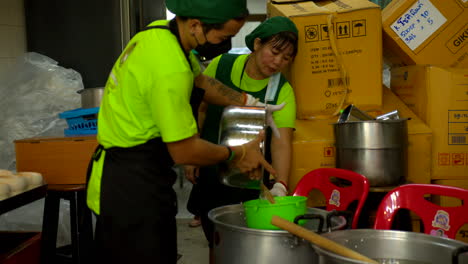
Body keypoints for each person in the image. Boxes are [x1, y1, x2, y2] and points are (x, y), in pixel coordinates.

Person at [85, 0, 281, 263]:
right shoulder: (170, 69)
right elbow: (184, 150)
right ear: (197, 25)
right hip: (132, 185)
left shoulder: (159, 33)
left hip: (127, 171)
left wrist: (248, 102)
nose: (226, 42)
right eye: (224, 37)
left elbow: (199, 81)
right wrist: (238, 153)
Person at [185, 16, 299, 263]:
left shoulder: (283, 91)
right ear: (257, 44)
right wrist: (191, 152)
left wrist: (281, 183)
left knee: (246, 250)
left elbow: (281, 142)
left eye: (287, 57)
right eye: (275, 51)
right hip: (211, 170)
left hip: (249, 181)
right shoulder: (222, 65)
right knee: (215, 242)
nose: (278, 62)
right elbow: (201, 108)